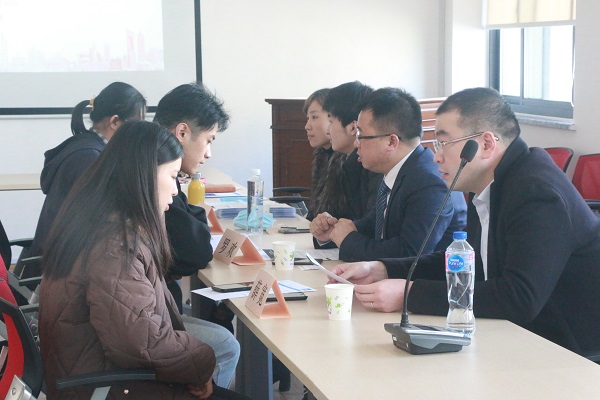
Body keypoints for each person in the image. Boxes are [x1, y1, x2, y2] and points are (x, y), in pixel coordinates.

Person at [330, 87, 600, 358]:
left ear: (486, 144)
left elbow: (519, 297)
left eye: (443, 143)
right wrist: (385, 269)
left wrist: (409, 294)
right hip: (520, 337)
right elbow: (467, 262)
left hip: (568, 352)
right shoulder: (492, 184)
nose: (436, 156)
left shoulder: (536, 192)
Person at [39, 121, 250, 399]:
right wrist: (201, 363)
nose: (174, 191)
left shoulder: (98, 218)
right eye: (172, 176)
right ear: (145, 176)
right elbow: (144, 346)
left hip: (94, 374)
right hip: (107, 387)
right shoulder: (116, 246)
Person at [311, 87, 466, 262]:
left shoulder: (429, 182)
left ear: (391, 141)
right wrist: (334, 231)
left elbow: (409, 254)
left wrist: (348, 240)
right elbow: (374, 225)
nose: (356, 144)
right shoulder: (399, 170)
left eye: (361, 135)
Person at [153, 83, 240, 388]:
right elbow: (195, 251)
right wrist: (195, 207)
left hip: (145, 312)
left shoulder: (143, 166)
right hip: (139, 326)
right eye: (208, 140)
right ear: (182, 132)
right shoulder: (154, 176)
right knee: (224, 344)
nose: (209, 153)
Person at [29, 82, 147, 265]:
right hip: (62, 268)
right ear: (115, 122)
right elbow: (99, 221)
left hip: (65, 260)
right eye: (136, 125)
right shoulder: (89, 158)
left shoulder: (87, 148)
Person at [322, 81, 382, 220]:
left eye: (331, 122)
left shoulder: (373, 166)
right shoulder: (342, 160)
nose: (327, 131)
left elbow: (368, 224)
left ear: (353, 128)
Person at [303, 88, 353, 221]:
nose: (307, 126)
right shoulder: (322, 155)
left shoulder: (349, 160)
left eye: (314, 117)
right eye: (308, 119)